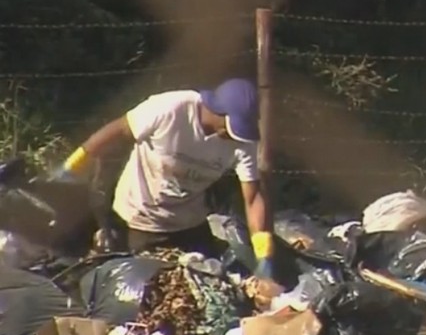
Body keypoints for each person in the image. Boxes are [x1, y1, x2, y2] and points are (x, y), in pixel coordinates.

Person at [53, 78, 276, 278]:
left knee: (213, 281)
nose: (233, 137)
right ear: (218, 111)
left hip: (190, 223)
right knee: (152, 286)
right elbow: (118, 130)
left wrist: (264, 254)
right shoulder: (172, 109)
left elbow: (253, 197)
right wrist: (73, 166)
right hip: (141, 219)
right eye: (231, 129)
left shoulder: (242, 142)